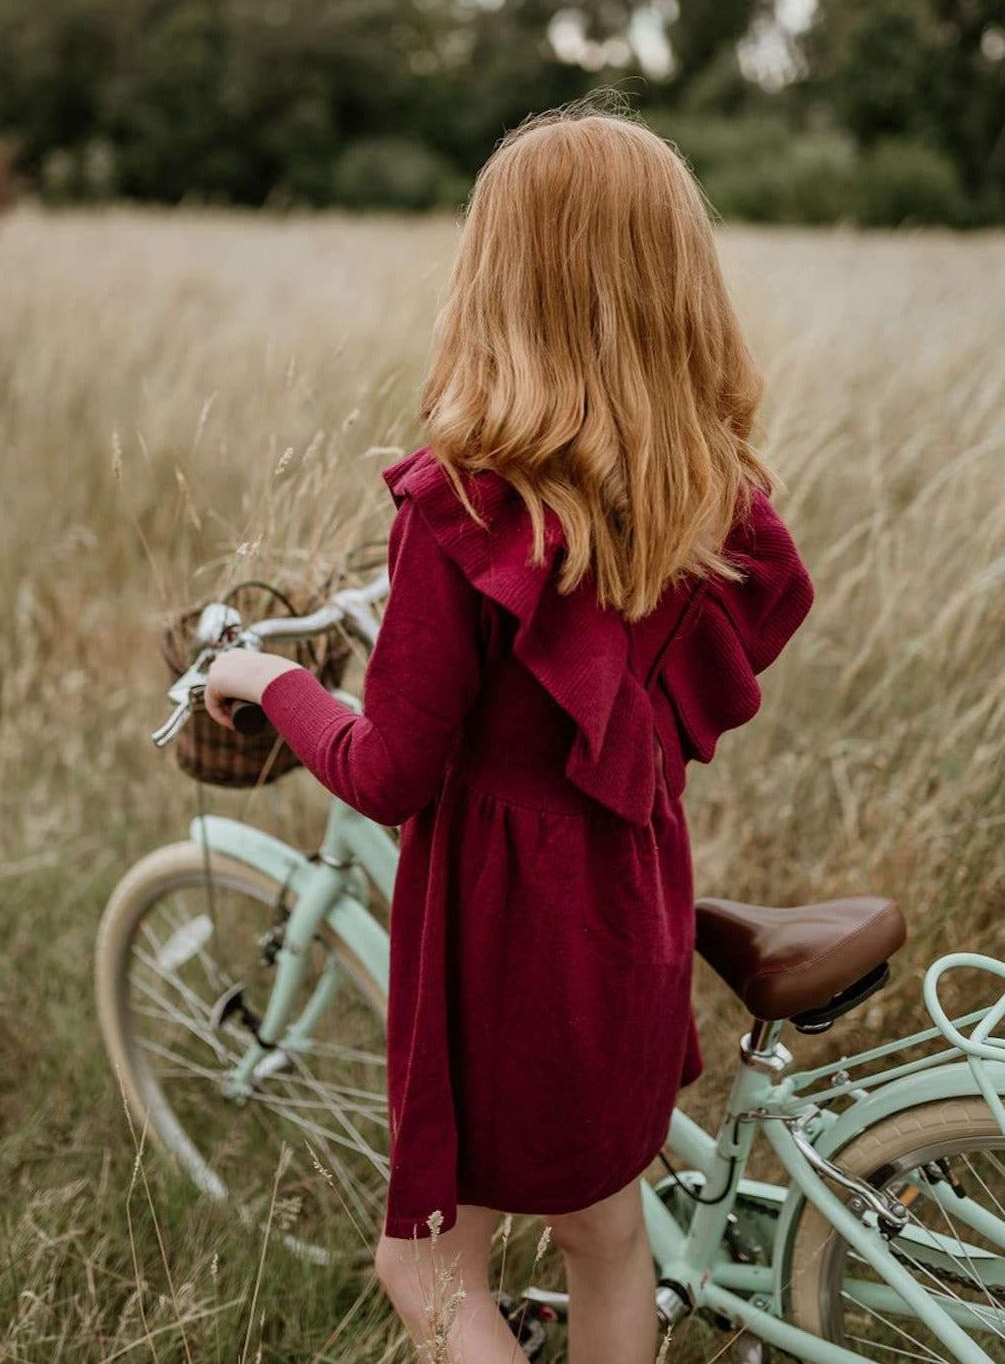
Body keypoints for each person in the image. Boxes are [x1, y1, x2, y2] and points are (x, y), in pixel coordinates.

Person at [204, 97, 815, 1364]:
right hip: (626, 907)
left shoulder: (461, 509)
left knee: (421, 1256)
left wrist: (272, 681)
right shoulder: (702, 495)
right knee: (605, 1234)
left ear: (500, 283)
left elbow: (389, 770)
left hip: (499, 939)